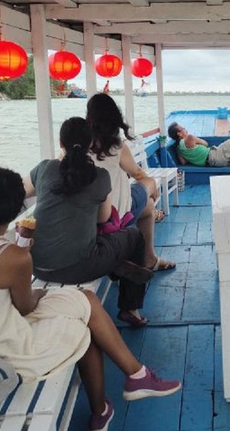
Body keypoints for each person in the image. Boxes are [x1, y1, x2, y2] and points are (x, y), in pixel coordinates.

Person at [0, 168, 181, 431]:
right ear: (18, 207)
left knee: (87, 299)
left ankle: (136, 376)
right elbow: (26, 305)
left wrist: (26, 265)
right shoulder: (11, 257)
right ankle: (105, 405)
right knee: (84, 329)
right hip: (2, 347)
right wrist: (31, 273)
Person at [23, 117, 152, 328]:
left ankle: (117, 266)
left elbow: (25, 189)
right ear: (91, 143)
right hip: (79, 266)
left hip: (36, 265)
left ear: (60, 143)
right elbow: (103, 218)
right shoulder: (99, 176)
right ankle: (130, 308)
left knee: (99, 244)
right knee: (134, 236)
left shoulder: (44, 168)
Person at [86, 94, 175, 271]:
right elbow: (137, 173)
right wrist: (149, 184)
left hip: (86, 217)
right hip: (114, 215)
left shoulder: (79, 145)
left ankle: (149, 256)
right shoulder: (116, 146)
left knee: (148, 202)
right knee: (149, 191)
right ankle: (149, 259)